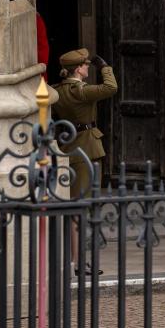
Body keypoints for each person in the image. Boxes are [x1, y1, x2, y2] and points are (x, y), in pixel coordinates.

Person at [51, 48, 118, 275]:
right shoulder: (80, 91)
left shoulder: (58, 90)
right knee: (80, 209)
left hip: (69, 147)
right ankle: (78, 262)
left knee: (77, 208)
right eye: (86, 65)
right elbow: (111, 88)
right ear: (78, 69)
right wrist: (105, 67)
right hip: (86, 152)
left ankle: (77, 260)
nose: (88, 67)